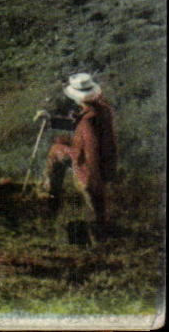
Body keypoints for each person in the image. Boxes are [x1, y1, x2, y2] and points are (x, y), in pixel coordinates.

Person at [36, 71, 118, 231]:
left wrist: (89, 177)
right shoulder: (100, 108)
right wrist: (52, 121)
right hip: (105, 159)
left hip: (89, 165)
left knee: (56, 150)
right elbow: (78, 124)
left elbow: (90, 150)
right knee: (59, 143)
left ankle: (50, 201)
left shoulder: (87, 121)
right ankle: (52, 199)